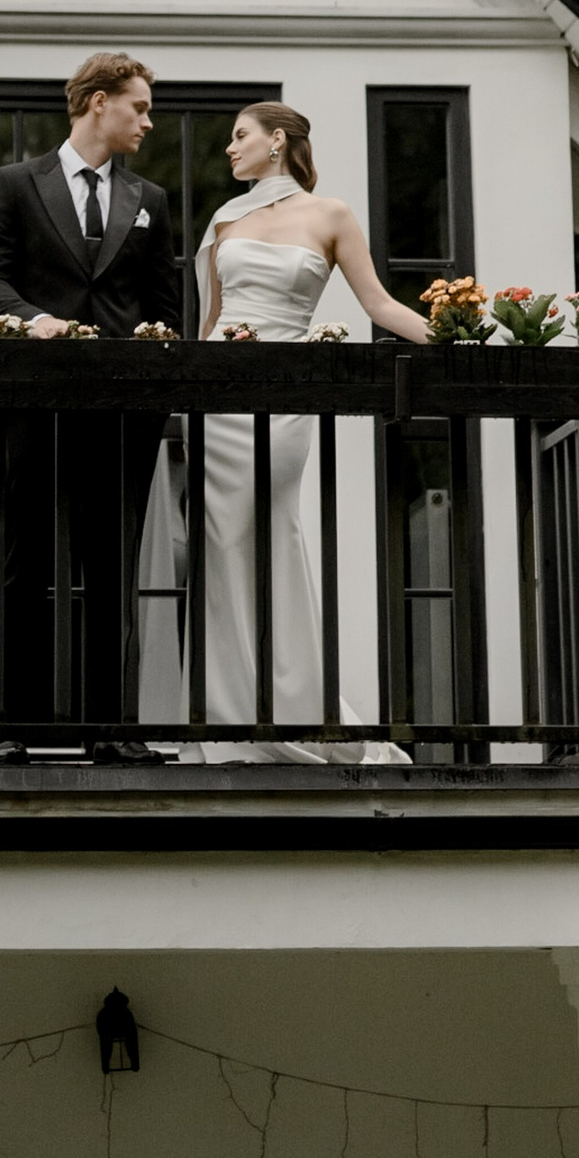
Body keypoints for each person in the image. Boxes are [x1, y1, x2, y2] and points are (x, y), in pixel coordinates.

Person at [184, 99, 429, 763]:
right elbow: (208, 323)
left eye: (239, 135)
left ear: (277, 140)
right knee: (218, 549)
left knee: (273, 536)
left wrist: (457, 337)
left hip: (286, 401)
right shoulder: (224, 220)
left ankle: (293, 711)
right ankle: (225, 725)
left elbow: (378, 303)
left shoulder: (331, 214)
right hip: (220, 404)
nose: (229, 147)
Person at [0, 50, 181, 763]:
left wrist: (154, 385)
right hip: (33, 399)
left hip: (122, 412)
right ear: (98, 102)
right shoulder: (15, 183)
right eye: (139, 107)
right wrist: (34, 321)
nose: (147, 121)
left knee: (112, 568)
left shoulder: (150, 200)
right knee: (23, 562)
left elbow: (164, 308)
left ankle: (112, 731)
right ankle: (8, 727)